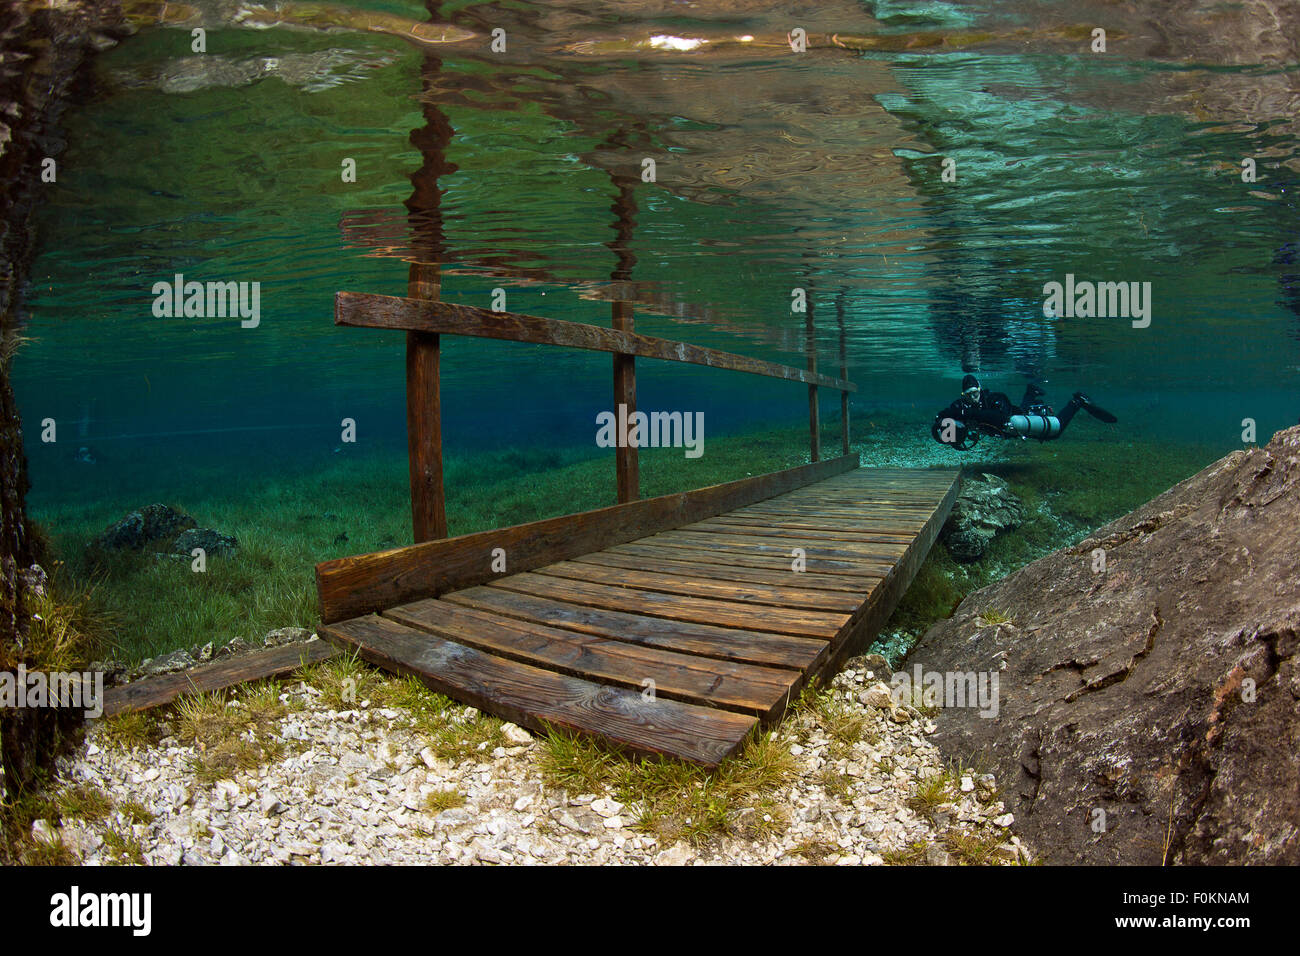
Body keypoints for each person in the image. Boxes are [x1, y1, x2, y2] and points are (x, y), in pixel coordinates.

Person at [931, 374, 1116, 450]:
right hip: (1004, 432)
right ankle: (1031, 392)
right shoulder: (962, 406)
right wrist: (942, 423)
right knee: (1025, 406)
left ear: (980, 389)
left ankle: (1076, 402)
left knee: (1054, 432)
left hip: (1015, 422)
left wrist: (970, 415)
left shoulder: (995, 398)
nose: (973, 398)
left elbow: (1002, 418)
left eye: (975, 393)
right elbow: (944, 415)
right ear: (964, 395)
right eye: (968, 395)